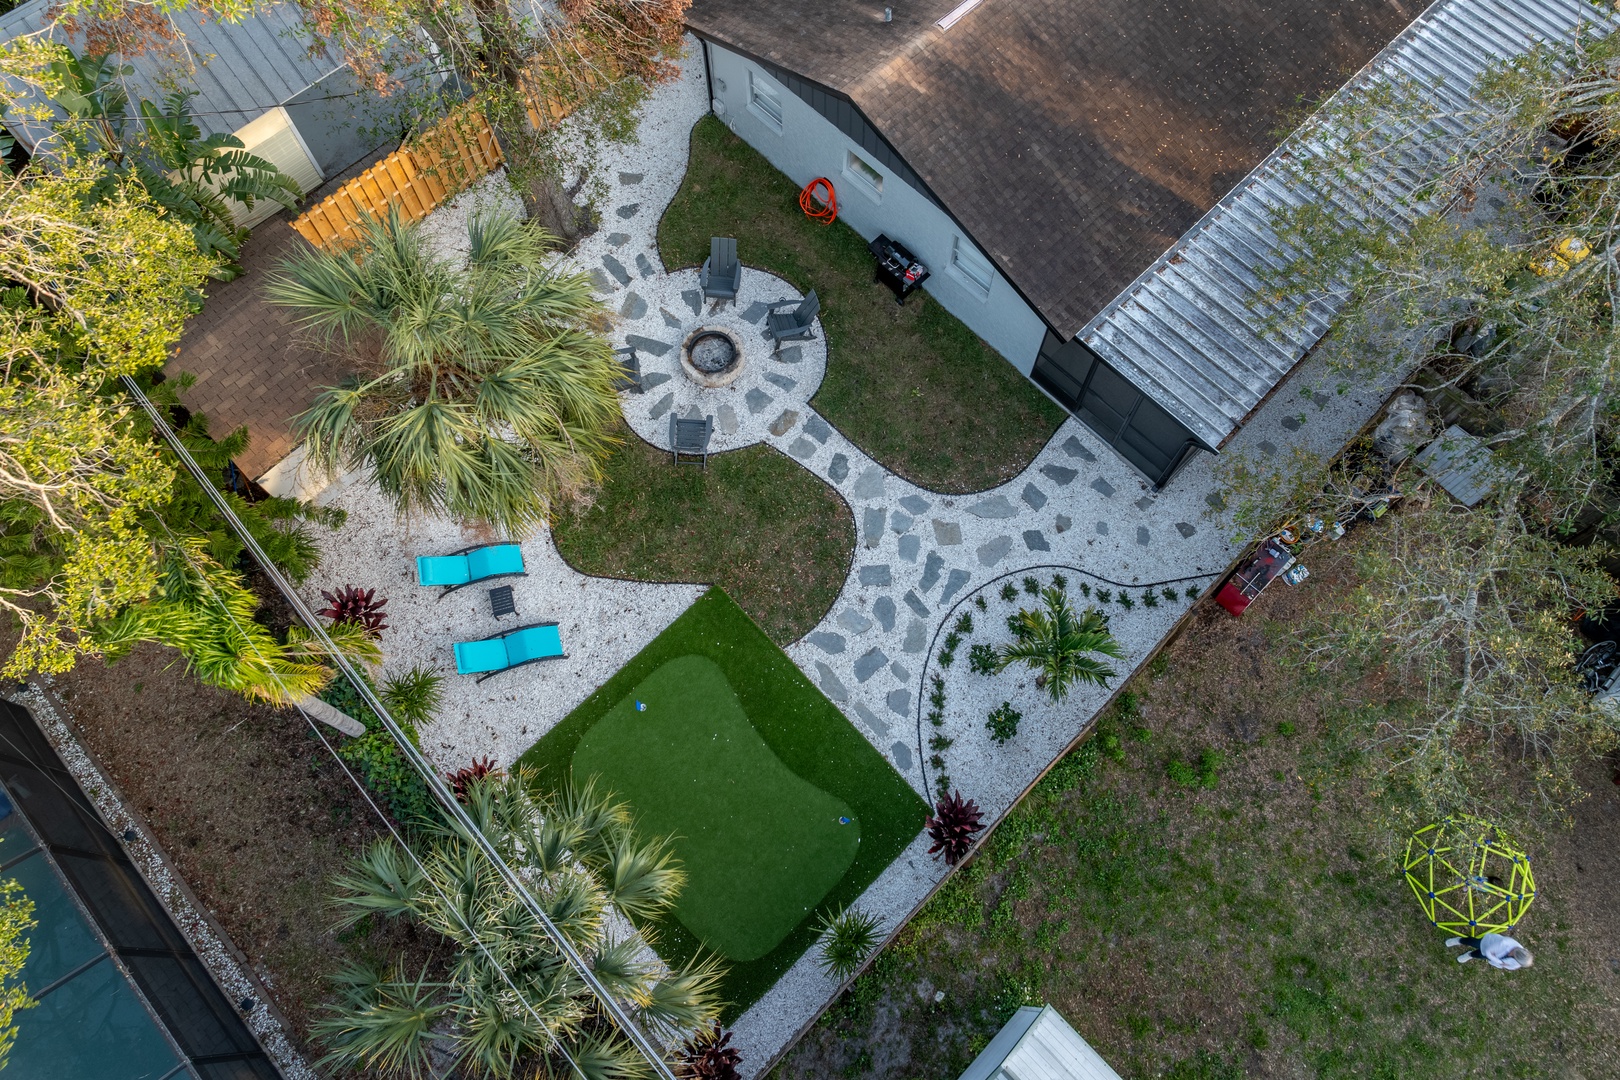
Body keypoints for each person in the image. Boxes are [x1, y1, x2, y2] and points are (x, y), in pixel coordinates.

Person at [1445, 933, 1534, 969]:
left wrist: (1500, 963)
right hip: (1488, 943)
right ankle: (1458, 940)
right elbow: (1488, 951)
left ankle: (1469, 955)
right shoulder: (1505, 943)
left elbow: (1511, 967)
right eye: (1513, 954)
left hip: (1493, 955)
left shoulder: (1518, 962)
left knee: (1479, 955)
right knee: (1473, 942)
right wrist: (1499, 961)